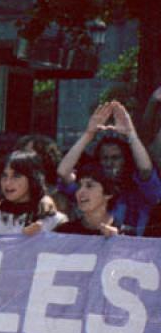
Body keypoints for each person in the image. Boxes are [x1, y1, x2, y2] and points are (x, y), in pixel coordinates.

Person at [56, 101, 160, 235]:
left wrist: (131, 133)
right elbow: (63, 172)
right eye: (105, 158)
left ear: (126, 160)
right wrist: (89, 134)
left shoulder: (139, 191)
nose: (109, 163)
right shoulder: (89, 188)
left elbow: (145, 170)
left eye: (115, 158)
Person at [0, 151, 66, 236]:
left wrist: (40, 237)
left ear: (32, 178)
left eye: (16, 176)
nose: (7, 183)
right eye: (4, 176)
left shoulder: (53, 221)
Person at [54, 163, 120, 237]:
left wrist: (117, 242)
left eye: (89, 186)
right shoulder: (64, 232)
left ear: (108, 193)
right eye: (79, 186)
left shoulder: (126, 234)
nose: (80, 192)